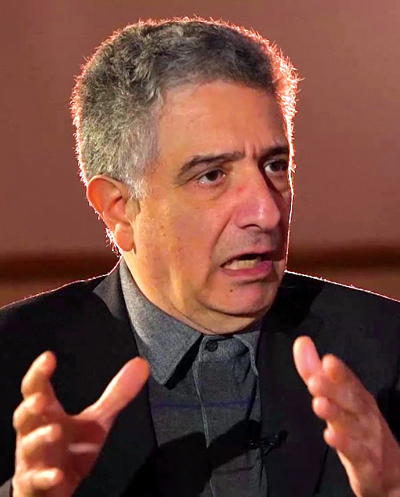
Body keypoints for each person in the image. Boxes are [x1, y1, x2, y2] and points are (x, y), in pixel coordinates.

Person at [1, 18, 400, 497]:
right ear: (119, 209)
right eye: (212, 175)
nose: (267, 211)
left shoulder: (388, 351)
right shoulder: (12, 364)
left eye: (275, 166)